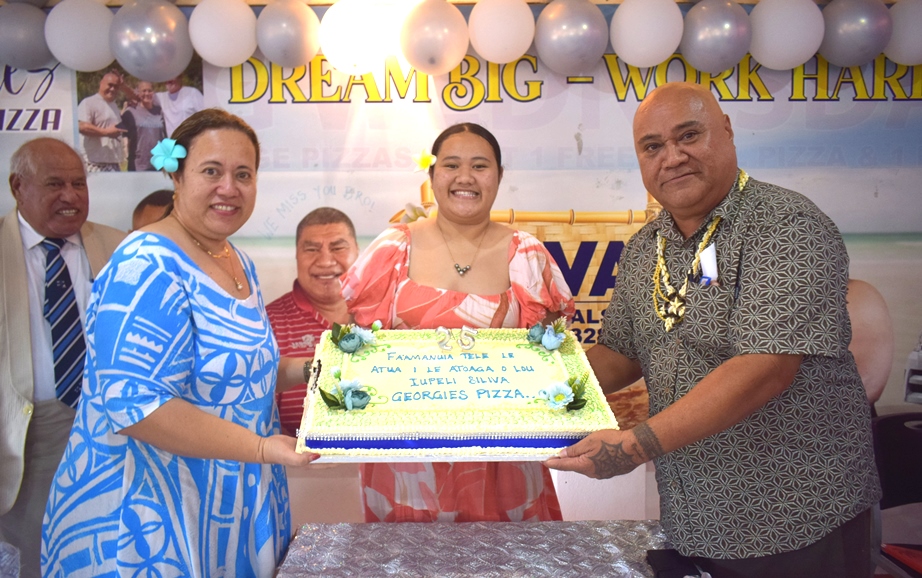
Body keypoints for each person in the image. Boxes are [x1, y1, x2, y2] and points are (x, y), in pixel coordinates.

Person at [545, 82, 881, 577]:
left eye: (688, 135)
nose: (672, 157)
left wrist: (634, 446)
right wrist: (535, 386)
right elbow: (620, 352)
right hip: (695, 519)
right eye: (653, 146)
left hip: (797, 518)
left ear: (726, 131)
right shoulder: (645, 247)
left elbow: (765, 368)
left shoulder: (786, 223)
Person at [42, 109, 319, 576]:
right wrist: (261, 449)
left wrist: (313, 369)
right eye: (211, 171)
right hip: (148, 522)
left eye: (243, 174)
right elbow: (133, 405)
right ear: (177, 174)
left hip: (229, 506)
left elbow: (235, 376)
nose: (228, 187)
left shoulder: (237, 261)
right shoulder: (145, 263)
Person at [342, 122, 575, 523]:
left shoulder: (528, 255)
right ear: (432, 176)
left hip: (504, 459)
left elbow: (555, 362)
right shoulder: (392, 249)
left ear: (499, 176)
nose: (465, 178)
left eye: (480, 166)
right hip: (406, 463)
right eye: (451, 165)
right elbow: (353, 354)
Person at [0, 138, 125, 578]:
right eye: (55, 184)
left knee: (115, 552)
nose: (71, 196)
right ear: (19, 187)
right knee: (39, 558)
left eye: (78, 183)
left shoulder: (120, 247)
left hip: (118, 427)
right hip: (31, 436)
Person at [267, 207, 359, 435]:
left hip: (382, 464)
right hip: (298, 465)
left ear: (358, 252)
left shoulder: (386, 313)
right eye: (311, 249)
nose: (326, 261)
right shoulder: (267, 322)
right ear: (297, 255)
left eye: (338, 248)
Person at [77, 71, 126, 172]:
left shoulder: (114, 106)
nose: (112, 89)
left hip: (113, 163)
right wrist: (106, 133)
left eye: (116, 86)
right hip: (94, 163)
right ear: (101, 83)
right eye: (110, 85)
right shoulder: (89, 102)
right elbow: (81, 126)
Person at [121, 80, 167, 171]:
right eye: (144, 91)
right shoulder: (131, 111)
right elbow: (121, 134)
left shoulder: (160, 111)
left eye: (149, 90)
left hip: (158, 163)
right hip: (138, 164)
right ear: (138, 93)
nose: (147, 93)